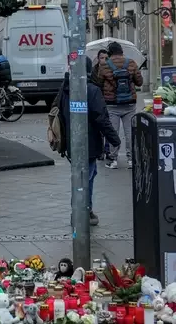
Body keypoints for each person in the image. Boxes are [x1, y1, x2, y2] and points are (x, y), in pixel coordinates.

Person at [54, 57, 120, 227]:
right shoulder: (92, 90)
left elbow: (58, 113)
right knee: (87, 178)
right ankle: (83, 211)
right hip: (88, 142)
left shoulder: (66, 88)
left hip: (72, 142)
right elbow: (101, 118)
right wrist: (114, 139)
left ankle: (79, 210)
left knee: (81, 176)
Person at [89, 42, 142, 169]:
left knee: (113, 132)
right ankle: (131, 159)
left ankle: (113, 160)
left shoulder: (104, 65)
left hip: (111, 104)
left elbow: (98, 83)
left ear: (110, 52)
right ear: (121, 51)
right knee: (130, 132)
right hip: (129, 103)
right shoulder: (131, 63)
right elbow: (139, 82)